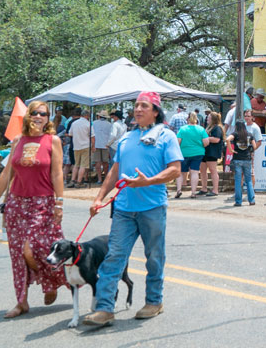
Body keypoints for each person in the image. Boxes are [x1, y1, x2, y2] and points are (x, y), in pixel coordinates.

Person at [84, 91, 182, 326]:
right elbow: (114, 171)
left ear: (155, 111)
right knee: (114, 256)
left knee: (154, 257)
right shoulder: (127, 138)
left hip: (152, 207)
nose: (137, 110)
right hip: (124, 208)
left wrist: (147, 181)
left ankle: (154, 301)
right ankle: (104, 308)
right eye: (136, 106)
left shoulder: (166, 136)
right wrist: (99, 198)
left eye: (144, 106)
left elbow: (175, 170)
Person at [0, 100, 66, 319]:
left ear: (48, 118)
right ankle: (22, 301)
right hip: (16, 204)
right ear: (28, 116)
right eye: (35, 113)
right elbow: (6, 174)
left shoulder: (53, 141)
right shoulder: (18, 141)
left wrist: (59, 202)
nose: (39, 117)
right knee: (18, 254)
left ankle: (50, 282)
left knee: (32, 249)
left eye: (44, 114)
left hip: (42, 202)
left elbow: (57, 174)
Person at [228, 110, 263, 207]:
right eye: (246, 116)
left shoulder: (252, 128)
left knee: (240, 179)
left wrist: (231, 149)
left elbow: (227, 139)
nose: (247, 117)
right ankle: (251, 199)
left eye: (248, 116)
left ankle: (239, 200)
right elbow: (255, 143)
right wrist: (251, 149)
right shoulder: (249, 134)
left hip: (239, 157)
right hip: (247, 157)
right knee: (248, 179)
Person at [175, 112, 208, 198]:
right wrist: (200, 145)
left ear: (188, 119)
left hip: (184, 153)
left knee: (181, 173)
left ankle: (179, 190)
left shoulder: (182, 129)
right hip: (198, 153)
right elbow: (206, 142)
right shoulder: (201, 129)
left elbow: (178, 142)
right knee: (194, 172)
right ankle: (193, 192)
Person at [199, 112, 224, 197]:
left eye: (209, 117)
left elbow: (217, 139)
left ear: (213, 119)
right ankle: (204, 188)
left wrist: (206, 138)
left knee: (213, 170)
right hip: (204, 152)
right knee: (202, 170)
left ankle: (215, 190)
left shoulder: (217, 128)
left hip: (212, 152)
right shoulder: (208, 127)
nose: (207, 119)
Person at [69, 107, 92, 188]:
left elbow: (70, 134)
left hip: (76, 146)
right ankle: (79, 182)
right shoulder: (88, 124)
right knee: (83, 165)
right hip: (85, 146)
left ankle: (72, 180)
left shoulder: (74, 123)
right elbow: (92, 136)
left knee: (76, 164)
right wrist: (93, 146)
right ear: (86, 115)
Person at [91, 110, 113, 186]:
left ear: (99, 116)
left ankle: (99, 179)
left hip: (96, 144)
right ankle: (106, 178)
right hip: (105, 145)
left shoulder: (94, 123)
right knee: (105, 163)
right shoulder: (110, 124)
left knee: (97, 163)